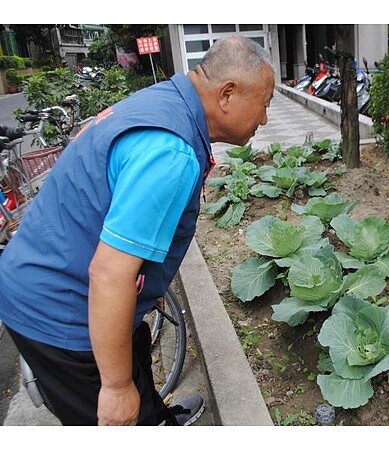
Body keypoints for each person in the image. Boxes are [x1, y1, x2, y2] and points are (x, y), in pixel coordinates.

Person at [0, 35, 276, 426]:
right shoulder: (170, 151)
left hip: (50, 270)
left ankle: (153, 413)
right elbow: (110, 273)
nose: (264, 119)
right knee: (116, 415)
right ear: (228, 94)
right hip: (58, 311)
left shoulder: (166, 102)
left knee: (134, 358)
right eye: (264, 104)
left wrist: (148, 287)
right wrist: (114, 389)